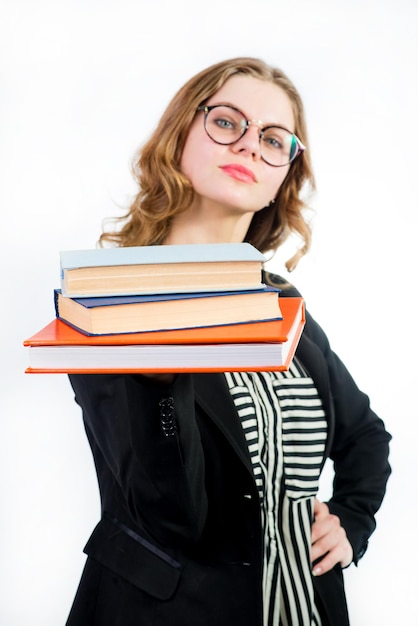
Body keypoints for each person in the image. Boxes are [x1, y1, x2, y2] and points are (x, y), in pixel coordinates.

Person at [65, 57, 391, 626]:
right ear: (179, 135)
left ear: (282, 175)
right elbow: (166, 516)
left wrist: (351, 522)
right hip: (166, 612)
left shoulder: (283, 303)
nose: (248, 147)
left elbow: (365, 437)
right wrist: (161, 382)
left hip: (303, 608)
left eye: (272, 139)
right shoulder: (107, 299)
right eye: (226, 123)